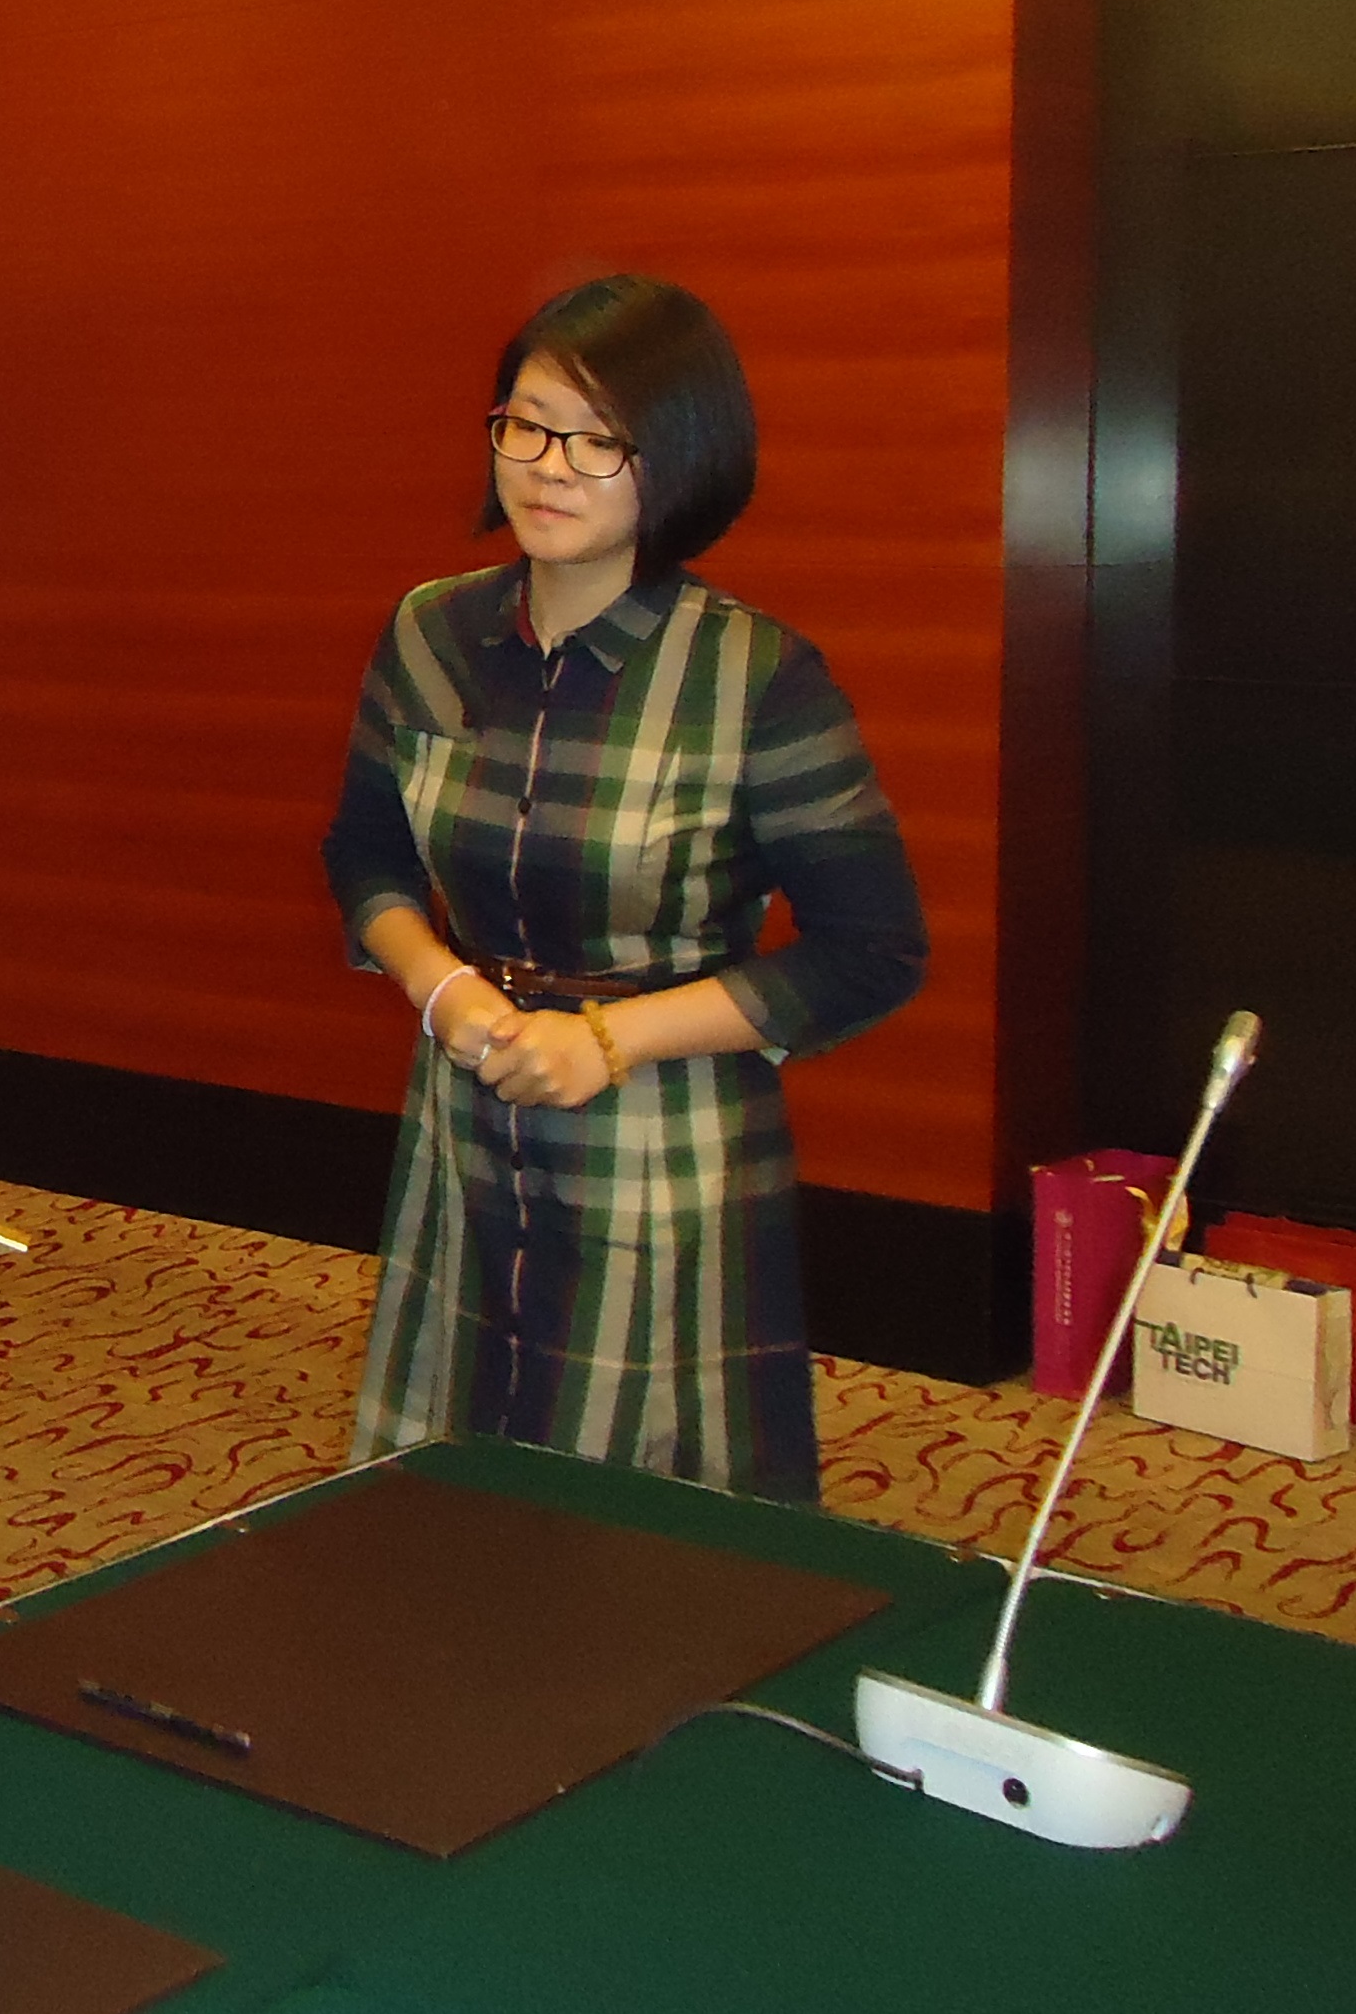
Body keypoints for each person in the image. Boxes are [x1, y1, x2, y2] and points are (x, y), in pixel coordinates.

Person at [326, 275, 925, 1507]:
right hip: (467, 1109)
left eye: (601, 442)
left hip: (660, 1136)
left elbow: (871, 951)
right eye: (528, 425)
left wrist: (610, 1040)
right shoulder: (431, 636)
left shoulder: (755, 677)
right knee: (446, 1485)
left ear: (682, 459)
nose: (551, 469)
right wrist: (438, 987)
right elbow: (365, 856)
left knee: (644, 1518)